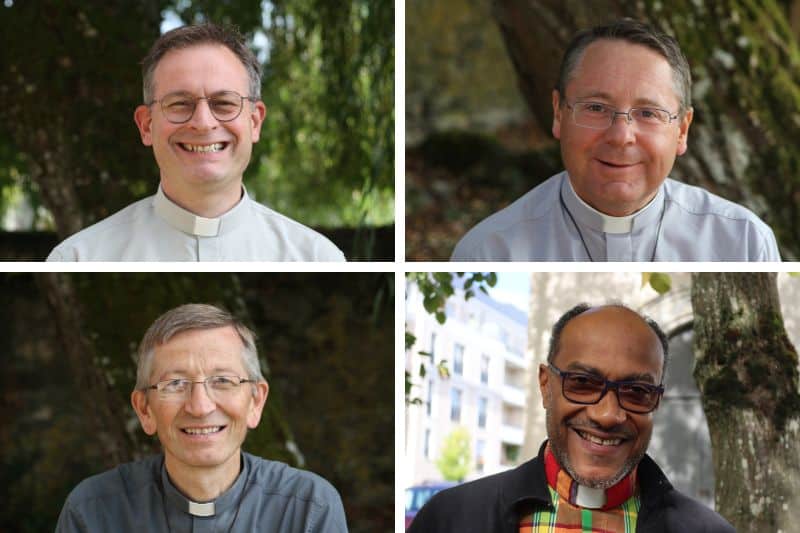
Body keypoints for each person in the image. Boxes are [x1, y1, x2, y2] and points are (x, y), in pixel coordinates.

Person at [451, 19, 779, 261]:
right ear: (559, 114)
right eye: (596, 108)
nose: (621, 137)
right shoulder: (489, 252)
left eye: (648, 113)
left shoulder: (744, 243)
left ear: (682, 130)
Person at [408, 303, 735, 532]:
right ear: (546, 384)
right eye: (583, 383)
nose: (608, 415)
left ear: (656, 402)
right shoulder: (450, 519)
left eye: (636, 391)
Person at [47, 24, 345, 261]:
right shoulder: (79, 257)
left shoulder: (315, 256)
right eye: (180, 104)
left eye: (224, 103)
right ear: (146, 125)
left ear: (254, 122)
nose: (203, 123)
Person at [56, 304, 348, 532]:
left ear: (256, 401)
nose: (200, 406)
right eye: (175, 384)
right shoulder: (92, 511)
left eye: (222, 380)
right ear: (144, 409)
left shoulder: (309, 507)